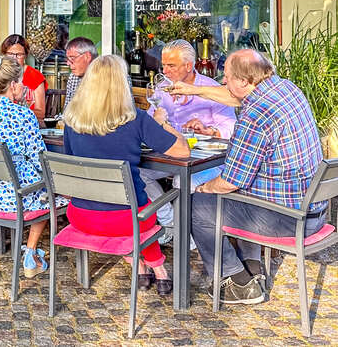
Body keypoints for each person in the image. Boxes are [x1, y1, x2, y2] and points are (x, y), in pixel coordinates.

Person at [180, 50, 325, 305]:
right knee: (245, 193)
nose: (223, 81)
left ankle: (236, 282)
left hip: (289, 219)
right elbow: (236, 97)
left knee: (196, 205)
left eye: (226, 76)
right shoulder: (284, 88)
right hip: (313, 209)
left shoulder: (256, 115)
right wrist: (193, 90)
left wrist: (203, 188)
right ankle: (252, 269)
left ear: (246, 81)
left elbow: (230, 181)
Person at [62, 55, 189, 295]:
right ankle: (159, 270)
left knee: (132, 210)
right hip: (125, 220)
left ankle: (141, 270)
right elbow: (183, 152)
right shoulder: (135, 119)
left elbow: (72, 162)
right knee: (139, 213)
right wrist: (162, 124)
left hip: (81, 215)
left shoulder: (72, 121)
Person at [0, 56, 59, 268]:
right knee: (49, 192)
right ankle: (30, 251)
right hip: (13, 197)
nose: (24, 87)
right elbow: (40, 159)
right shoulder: (23, 115)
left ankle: (28, 251)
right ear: (13, 85)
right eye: (21, 83)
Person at [141, 39, 238, 234]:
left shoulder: (210, 89)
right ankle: (171, 223)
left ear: (188, 65)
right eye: (163, 65)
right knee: (140, 173)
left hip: (207, 161)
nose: (165, 71)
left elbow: (231, 128)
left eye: (171, 66)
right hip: (172, 156)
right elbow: (152, 121)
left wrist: (210, 130)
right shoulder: (162, 88)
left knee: (181, 181)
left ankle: (185, 233)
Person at [0, 35, 47, 120]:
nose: (14, 58)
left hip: (26, 123)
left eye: (19, 55)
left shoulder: (35, 76)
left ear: (25, 55)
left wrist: (17, 111)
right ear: (4, 54)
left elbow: (41, 113)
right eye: (10, 54)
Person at [64, 36, 97, 107]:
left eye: (72, 58)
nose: (68, 63)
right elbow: (67, 111)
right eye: (67, 59)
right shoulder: (73, 77)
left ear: (87, 57)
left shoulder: (110, 76)